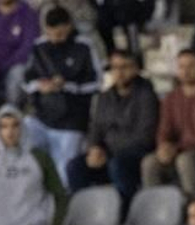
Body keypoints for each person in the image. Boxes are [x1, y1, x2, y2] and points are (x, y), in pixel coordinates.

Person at [65, 49, 157, 205]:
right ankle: (84, 210)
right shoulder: (104, 97)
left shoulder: (146, 96)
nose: (119, 73)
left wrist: (108, 153)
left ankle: (126, 211)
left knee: (117, 165)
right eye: (115, 67)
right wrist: (94, 148)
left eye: (124, 67)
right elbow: (95, 128)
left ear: (135, 68)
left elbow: (144, 137)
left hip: (135, 155)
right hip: (107, 155)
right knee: (75, 166)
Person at [21, 5, 98, 185]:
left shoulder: (84, 46)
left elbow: (97, 82)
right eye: (52, 34)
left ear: (69, 26)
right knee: (22, 134)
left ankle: (62, 199)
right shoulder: (39, 46)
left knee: (64, 174)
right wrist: (39, 85)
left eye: (60, 34)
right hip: (42, 117)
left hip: (72, 120)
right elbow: (25, 80)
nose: (56, 39)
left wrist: (67, 85)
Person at [142, 49, 195, 198]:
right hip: (177, 151)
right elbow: (164, 129)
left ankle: (192, 204)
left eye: (190, 66)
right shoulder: (171, 98)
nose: (186, 71)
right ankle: (156, 205)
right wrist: (163, 146)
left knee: (184, 160)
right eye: (181, 67)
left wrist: (177, 148)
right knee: (150, 162)